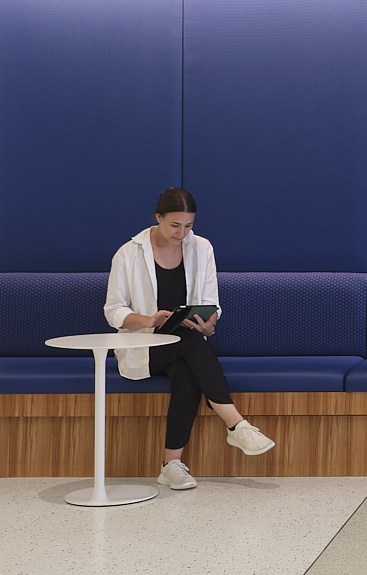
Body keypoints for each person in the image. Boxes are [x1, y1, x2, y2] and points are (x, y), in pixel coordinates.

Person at [103, 186, 275, 489]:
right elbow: (113, 310)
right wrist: (150, 320)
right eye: (175, 225)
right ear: (158, 217)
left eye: (188, 226)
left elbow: (211, 302)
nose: (182, 233)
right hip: (145, 346)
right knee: (189, 343)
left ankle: (171, 465)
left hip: (185, 346)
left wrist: (208, 325)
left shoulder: (202, 248)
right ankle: (236, 424)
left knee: (187, 369)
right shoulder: (128, 253)